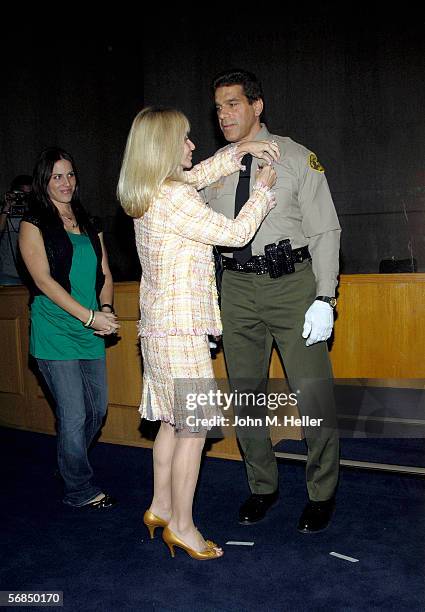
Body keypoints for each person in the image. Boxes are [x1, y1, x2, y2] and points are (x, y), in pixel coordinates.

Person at [117, 106, 278, 560]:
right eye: (185, 139)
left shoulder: (151, 191)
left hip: (157, 329)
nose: (192, 145)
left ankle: (161, 507)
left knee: (171, 422)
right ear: (165, 147)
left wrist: (241, 150)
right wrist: (262, 193)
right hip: (182, 331)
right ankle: (184, 528)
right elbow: (234, 232)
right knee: (193, 430)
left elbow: (201, 172)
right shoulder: (175, 198)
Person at [204, 69, 341, 533]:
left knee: (313, 395)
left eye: (233, 104)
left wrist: (325, 296)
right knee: (245, 397)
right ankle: (263, 486)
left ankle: (321, 492)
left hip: (291, 285)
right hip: (236, 289)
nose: (224, 115)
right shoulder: (215, 167)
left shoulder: (298, 158)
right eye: (218, 106)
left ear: (257, 106)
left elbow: (325, 230)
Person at [18, 147, 120, 509]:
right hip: (55, 329)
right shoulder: (34, 223)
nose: (66, 182)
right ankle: (80, 488)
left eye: (71, 174)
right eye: (57, 176)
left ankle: (69, 463)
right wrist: (89, 316)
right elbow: (43, 281)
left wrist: (105, 308)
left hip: (89, 329)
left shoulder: (89, 222)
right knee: (74, 414)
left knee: (97, 410)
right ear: (44, 180)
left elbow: (104, 272)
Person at [0, 174, 32, 285]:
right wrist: (6, 208)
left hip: (31, 274)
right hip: (8, 274)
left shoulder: (35, 213)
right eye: (21, 194)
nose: (23, 198)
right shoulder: (4, 212)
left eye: (28, 195)